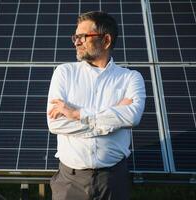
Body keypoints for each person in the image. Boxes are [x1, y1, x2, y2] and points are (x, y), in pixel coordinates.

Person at [47, 11, 146, 200]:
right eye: (75, 37)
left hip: (112, 180)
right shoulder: (64, 73)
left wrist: (77, 114)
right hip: (69, 181)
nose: (77, 42)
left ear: (106, 40)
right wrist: (112, 120)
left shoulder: (130, 78)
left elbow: (132, 116)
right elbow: (56, 124)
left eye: (83, 37)